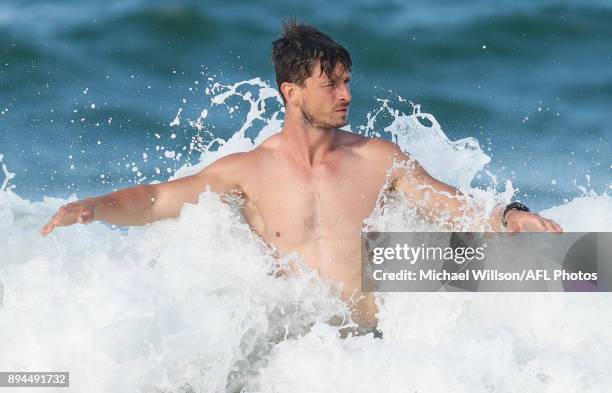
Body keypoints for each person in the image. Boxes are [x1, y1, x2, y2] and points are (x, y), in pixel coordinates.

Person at [40, 20, 563, 332]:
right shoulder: (248, 171)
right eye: (331, 84)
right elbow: (157, 200)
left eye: (348, 82)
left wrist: (509, 217)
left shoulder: (377, 158)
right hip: (298, 358)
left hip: (380, 354)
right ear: (292, 92)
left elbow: (446, 203)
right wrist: (94, 206)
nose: (346, 95)